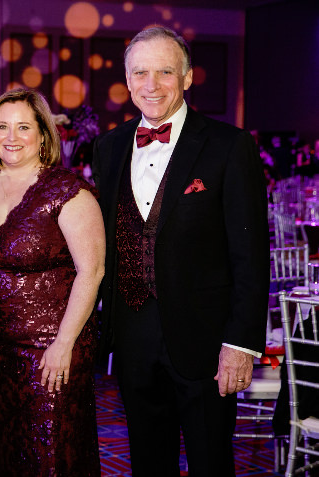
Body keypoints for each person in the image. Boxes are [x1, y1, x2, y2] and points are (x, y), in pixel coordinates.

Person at [91, 26, 269, 476]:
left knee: (211, 462)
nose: (151, 84)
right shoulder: (108, 148)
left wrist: (241, 345)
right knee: (149, 462)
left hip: (207, 342)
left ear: (188, 77)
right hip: (132, 338)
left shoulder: (230, 146)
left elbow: (250, 255)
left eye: (165, 71)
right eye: (141, 73)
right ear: (127, 81)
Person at [0, 88, 105, 476]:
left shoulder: (68, 192)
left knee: (50, 456)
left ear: (43, 135)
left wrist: (63, 344)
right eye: (2, 126)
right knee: (11, 452)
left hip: (51, 350)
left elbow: (92, 273)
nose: (11, 136)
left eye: (23, 127)